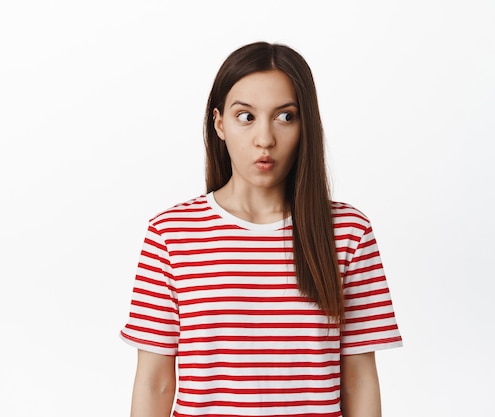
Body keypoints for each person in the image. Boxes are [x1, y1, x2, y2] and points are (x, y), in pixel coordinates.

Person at [120, 41, 403, 417]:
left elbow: (359, 380)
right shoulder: (171, 234)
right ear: (219, 124)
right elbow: (155, 382)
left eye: (285, 117)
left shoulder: (348, 232)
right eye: (246, 117)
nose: (265, 139)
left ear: (307, 125)